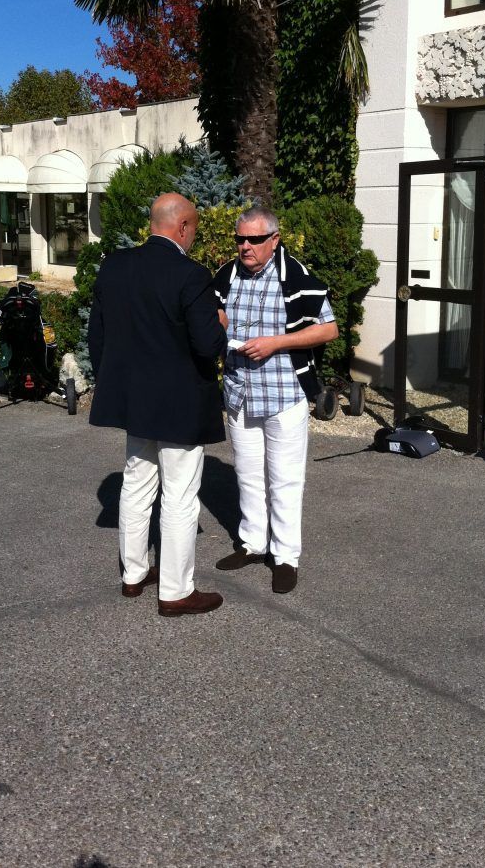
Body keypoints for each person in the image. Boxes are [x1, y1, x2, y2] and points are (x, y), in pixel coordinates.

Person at [88, 193, 228, 618]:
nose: (193, 237)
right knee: (180, 497)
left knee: (136, 485)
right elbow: (208, 345)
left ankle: (133, 575)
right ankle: (175, 591)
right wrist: (220, 323)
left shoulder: (115, 265)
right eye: (194, 229)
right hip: (179, 403)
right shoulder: (191, 275)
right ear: (183, 227)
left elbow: (98, 335)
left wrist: (115, 384)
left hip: (134, 400)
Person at [213, 207, 339, 593]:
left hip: (284, 393)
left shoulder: (295, 276)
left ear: (274, 240)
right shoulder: (227, 274)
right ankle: (253, 543)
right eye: (240, 239)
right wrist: (218, 321)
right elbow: (213, 311)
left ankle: (285, 556)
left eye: (254, 239)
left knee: (284, 479)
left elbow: (329, 329)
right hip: (240, 391)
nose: (245, 246)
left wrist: (276, 343)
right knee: (248, 474)